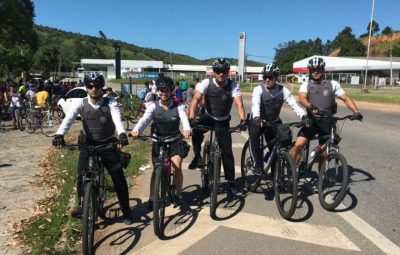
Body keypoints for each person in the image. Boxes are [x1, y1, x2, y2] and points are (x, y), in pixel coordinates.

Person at [52, 72, 133, 225]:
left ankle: (126, 210)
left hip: (108, 144)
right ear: (86, 87)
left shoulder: (110, 102)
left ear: (102, 87)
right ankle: (82, 205)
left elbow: (117, 118)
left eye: (97, 86)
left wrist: (122, 133)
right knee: (81, 176)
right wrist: (59, 134)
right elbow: (68, 119)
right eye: (90, 86)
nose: (94, 89)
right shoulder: (80, 103)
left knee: (118, 178)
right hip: (87, 144)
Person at [291, 57, 363, 169]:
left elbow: (345, 98)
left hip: (327, 122)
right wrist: (310, 106)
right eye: (313, 69)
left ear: (323, 70)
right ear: (310, 71)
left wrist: (356, 111)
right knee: (298, 145)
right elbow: (302, 98)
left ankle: (321, 179)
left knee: (324, 154)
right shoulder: (306, 84)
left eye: (318, 69)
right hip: (311, 121)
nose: (316, 72)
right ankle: (292, 171)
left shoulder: (333, 84)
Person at [188, 58, 246, 198]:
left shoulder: (233, 84)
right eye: (218, 71)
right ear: (214, 72)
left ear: (228, 72)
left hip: (223, 121)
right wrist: (191, 117)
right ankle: (197, 157)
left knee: (227, 152)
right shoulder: (206, 82)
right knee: (196, 132)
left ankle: (231, 182)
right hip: (208, 117)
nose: (221, 74)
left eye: (224, 71)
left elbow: (239, 103)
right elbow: (196, 99)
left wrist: (243, 120)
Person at [131, 76, 191, 208]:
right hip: (158, 140)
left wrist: (186, 129)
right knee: (156, 169)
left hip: (174, 139)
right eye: (161, 90)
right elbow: (144, 120)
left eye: (167, 90)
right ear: (157, 91)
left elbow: (184, 118)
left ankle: (178, 193)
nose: (164, 93)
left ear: (171, 91)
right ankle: (153, 197)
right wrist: (137, 130)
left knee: (177, 166)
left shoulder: (179, 105)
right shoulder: (153, 106)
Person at [248, 64, 308, 175]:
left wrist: (304, 116)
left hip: (274, 122)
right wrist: (257, 117)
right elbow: (255, 104)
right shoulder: (258, 89)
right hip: (259, 121)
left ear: (276, 77)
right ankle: (258, 165)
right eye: (265, 77)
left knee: (277, 148)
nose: (267, 79)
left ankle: (275, 176)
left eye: (270, 77)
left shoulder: (283, 90)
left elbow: (294, 105)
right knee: (255, 136)